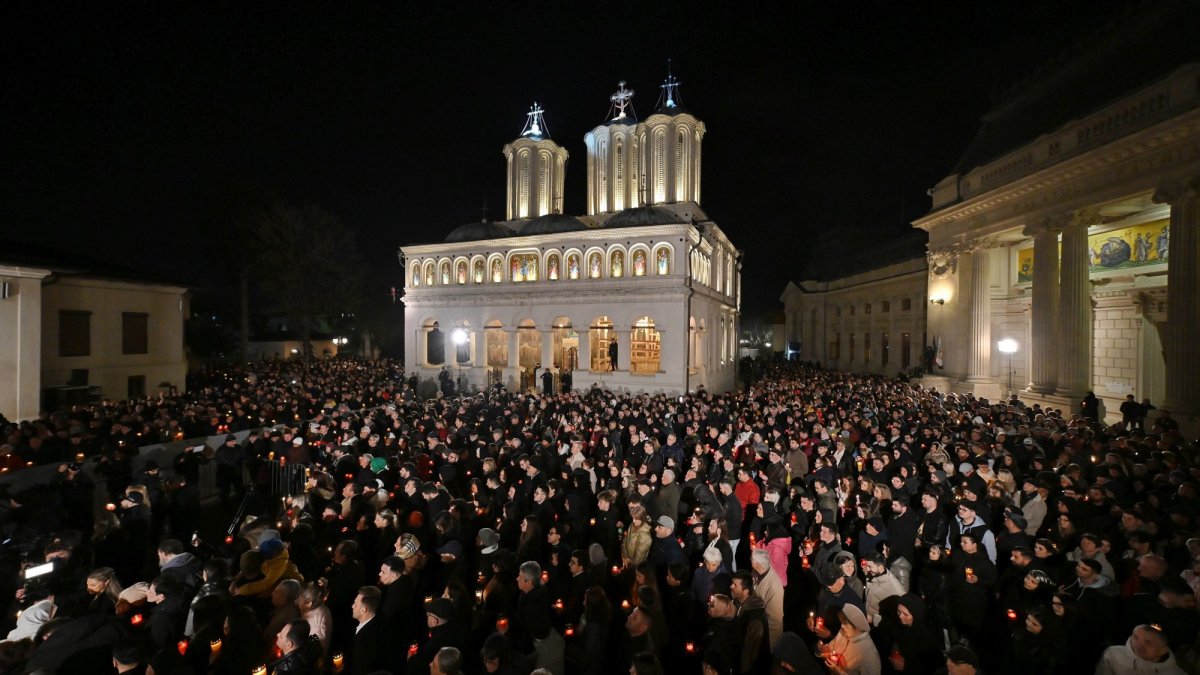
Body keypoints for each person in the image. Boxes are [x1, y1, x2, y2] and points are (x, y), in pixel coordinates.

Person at [1095, 624, 1186, 675]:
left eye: (1149, 643)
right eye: (1136, 637)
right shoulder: (1113, 654)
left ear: (1163, 649)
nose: (1138, 645)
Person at [349, 586, 389, 675]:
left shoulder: (364, 643)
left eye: (355, 604)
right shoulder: (379, 620)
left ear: (364, 610)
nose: (352, 606)